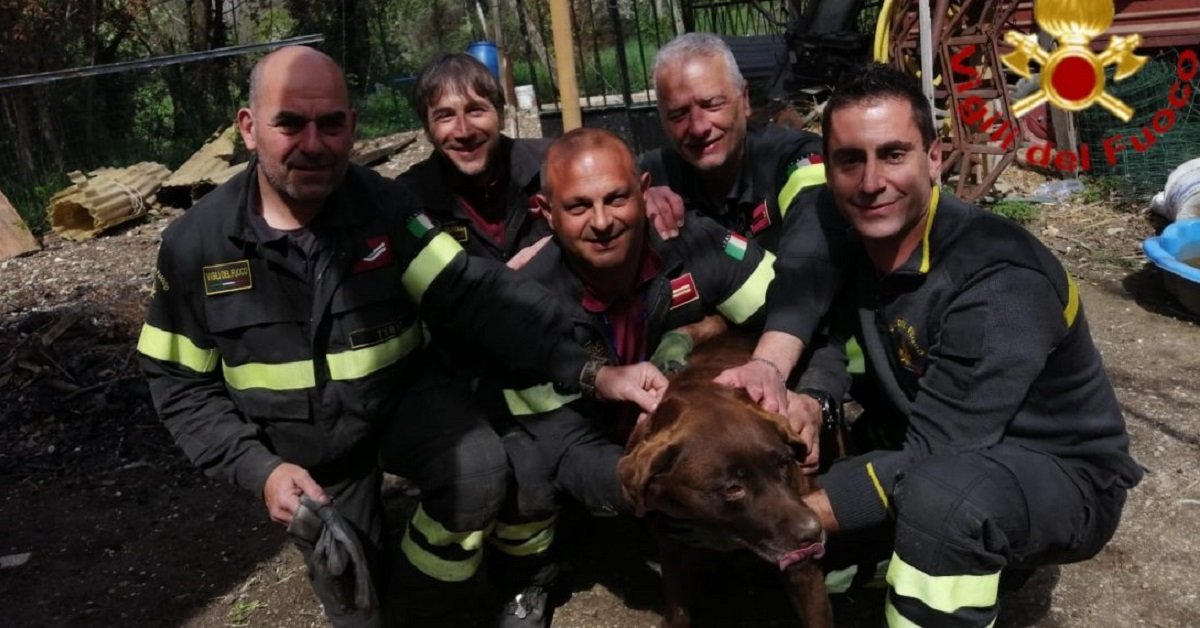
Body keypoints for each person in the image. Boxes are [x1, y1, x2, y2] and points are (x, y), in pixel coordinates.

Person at [136, 46, 665, 628]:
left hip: (399, 406)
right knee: (356, 597)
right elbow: (180, 386)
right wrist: (259, 470)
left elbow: (470, 292)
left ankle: (432, 603)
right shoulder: (197, 246)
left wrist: (592, 370)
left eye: (331, 123)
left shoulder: (385, 207)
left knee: (480, 471)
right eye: (290, 122)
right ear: (249, 128)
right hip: (301, 444)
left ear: (352, 127)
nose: (313, 143)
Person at [740, 63, 1144, 626]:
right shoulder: (858, 235)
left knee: (940, 501)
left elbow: (935, 454)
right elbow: (834, 334)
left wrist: (792, 515)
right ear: (828, 171)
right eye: (850, 159)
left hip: (1061, 473)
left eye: (894, 154)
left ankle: (963, 558)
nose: (872, 181)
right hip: (947, 445)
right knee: (781, 568)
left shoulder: (998, 277)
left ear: (934, 159)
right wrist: (814, 398)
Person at [482, 127, 821, 627]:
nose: (602, 222)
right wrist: (650, 496)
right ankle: (532, 574)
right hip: (606, 449)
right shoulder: (521, 309)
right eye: (578, 207)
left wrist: (812, 396)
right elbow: (564, 446)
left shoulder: (696, 245)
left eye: (617, 198)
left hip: (689, 436)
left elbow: (802, 313)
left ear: (644, 192)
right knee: (524, 466)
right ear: (544, 213)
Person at [640, 32, 825, 251]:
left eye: (713, 105)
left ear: (744, 99)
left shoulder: (790, 158)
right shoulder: (653, 175)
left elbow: (808, 265)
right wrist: (631, 198)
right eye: (678, 114)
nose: (699, 127)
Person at [399, 53, 552, 269]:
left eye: (475, 110)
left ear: (500, 116)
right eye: (445, 116)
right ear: (427, 130)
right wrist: (504, 279)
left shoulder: (553, 165)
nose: (464, 131)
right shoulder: (407, 200)